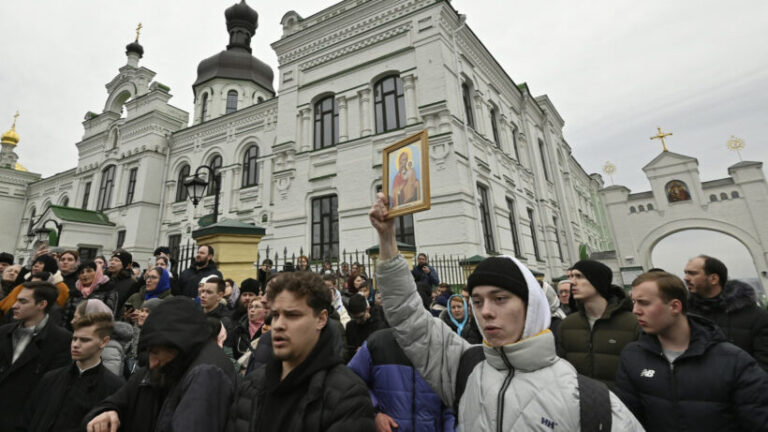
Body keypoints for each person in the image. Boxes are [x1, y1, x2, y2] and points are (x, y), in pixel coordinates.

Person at [368, 193, 642, 430]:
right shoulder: (465, 367)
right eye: (477, 301)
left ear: (530, 305)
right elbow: (408, 316)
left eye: (500, 299)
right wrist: (387, 239)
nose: (485, 312)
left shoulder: (589, 401)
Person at [616, 271, 768, 431]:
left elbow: (759, 421)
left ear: (675, 306)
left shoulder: (733, 360)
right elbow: (629, 420)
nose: (635, 310)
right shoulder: (632, 356)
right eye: (634, 302)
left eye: (644, 303)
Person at [227, 271, 375, 431]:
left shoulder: (347, 395)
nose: (278, 325)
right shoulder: (251, 386)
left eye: (292, 315)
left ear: (321, 319)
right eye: (276, 315)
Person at [85, 297, 238, 432]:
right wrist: (110, 411)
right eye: (150, 352)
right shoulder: (160, 370)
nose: (152, 363)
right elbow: (114, 401)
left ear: (178, 346)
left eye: (156, 352)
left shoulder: (206, 373)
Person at [19, 312, 125, 432]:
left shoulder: (115, 388)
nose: (75, 345)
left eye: (84, 340)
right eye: (74, 339)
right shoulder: (50, 378)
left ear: (104, 342)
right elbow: (26, 420)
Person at [348, 328, 455, 432]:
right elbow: (351, 382)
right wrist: (374, 414)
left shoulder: (441, 348)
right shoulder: (377, 343)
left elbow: (449, 404)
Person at [0, 282, 72, 431]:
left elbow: (52, 389)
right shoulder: (3, 332)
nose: (14, 305)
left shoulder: (61, 340)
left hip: (25, 422)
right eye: (17, 300)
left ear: (42, 304)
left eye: (22, 301)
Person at [557, 260, 639, 390]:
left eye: (579, 276)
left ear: (597, 281)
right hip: (580, 402)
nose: (572, 282)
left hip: (622, 405)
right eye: (570, 277)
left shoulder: (632, 323)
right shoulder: (567, 325)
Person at [684, 255, 768, 370]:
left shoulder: (756, 317)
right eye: (686, 273)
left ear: (713, 279)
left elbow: (764, 364)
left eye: (693, 273)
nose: (686, 278)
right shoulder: (684, 315)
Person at [63, 260, 119, 328]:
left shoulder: (108, 291)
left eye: (89, 271)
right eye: (81, 272)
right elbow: (66, 317)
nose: (85, 275)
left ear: (97, 272)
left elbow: (109, 317)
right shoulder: (75, 292)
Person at [345, 294, 387, 359]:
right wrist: (355, 351)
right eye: (354, 318)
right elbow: (348, 349)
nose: (358, 321)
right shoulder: (350, 326)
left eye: (360, 317)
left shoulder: (379, 324)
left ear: (367, 309)